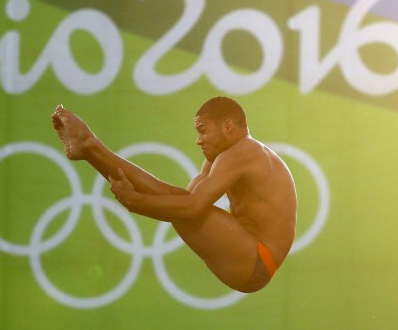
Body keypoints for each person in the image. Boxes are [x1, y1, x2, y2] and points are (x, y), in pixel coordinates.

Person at [51, 96, 297, 293]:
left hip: (256, 260)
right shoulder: (224, 156)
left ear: (228, 126)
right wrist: (137, 200)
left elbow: (190, 210)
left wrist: (136, 202)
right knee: (178, 200)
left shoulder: (245, 152)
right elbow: (179, 202)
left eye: (203, 131)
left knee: (185, 207)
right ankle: (89, 149)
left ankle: (91, 146)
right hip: (249, 257)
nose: (198, 141)